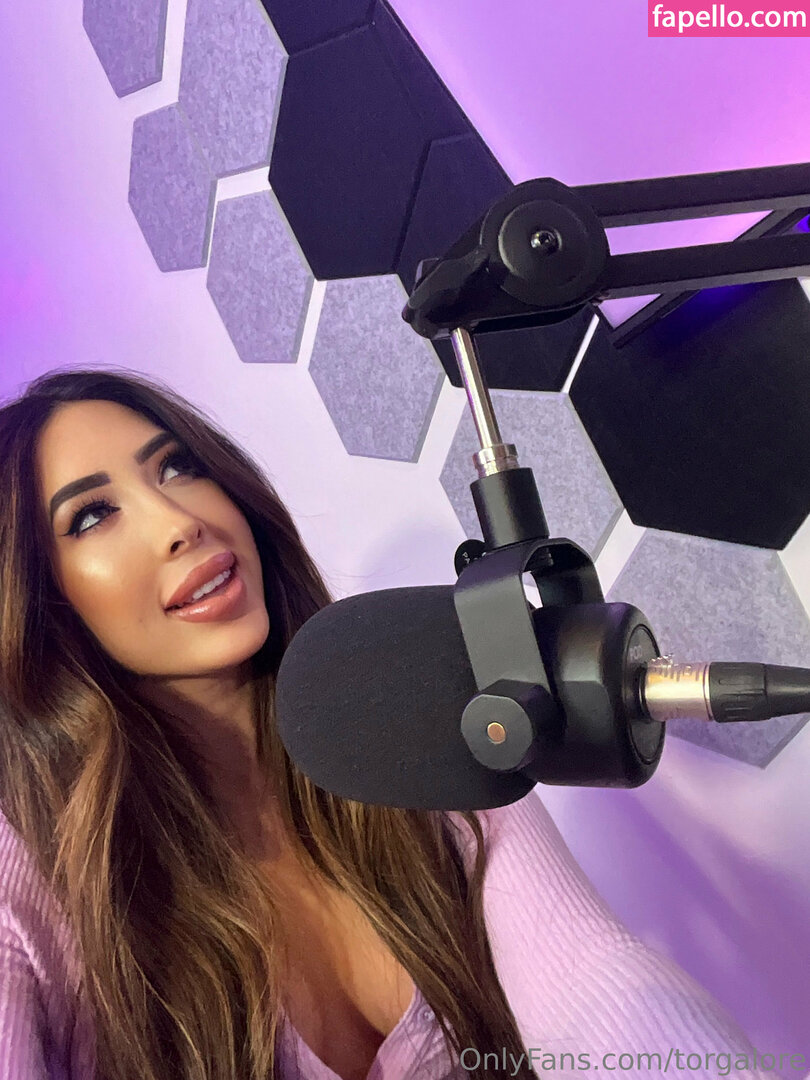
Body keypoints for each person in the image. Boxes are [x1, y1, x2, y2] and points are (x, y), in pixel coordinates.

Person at [0, 367, 778, 1080]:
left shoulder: (418, 707)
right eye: (92, 516)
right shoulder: (28, 879)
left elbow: (596, 983)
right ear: (36, 602)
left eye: (176, 467)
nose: (178, 521)